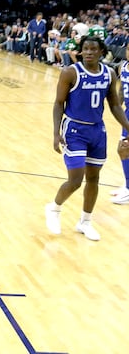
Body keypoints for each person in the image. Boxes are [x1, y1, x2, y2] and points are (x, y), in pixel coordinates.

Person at [45, 36, 129, 241]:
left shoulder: (109, 74)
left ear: (102, 51)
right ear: (81, 51)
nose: (89, 52)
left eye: (93, 49)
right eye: (85, 49)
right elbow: (58, 103)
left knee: (94, 179)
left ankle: (85, 221)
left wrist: (128, 127)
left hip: (97, 131)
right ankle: (54, 208)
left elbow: (115, 106)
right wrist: (56, 133)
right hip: (74, 129)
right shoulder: (70, 72)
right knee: (75, 180)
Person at [110, 59, 129, 204]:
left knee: (123, 149)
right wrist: (117, 106)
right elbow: (122, 89)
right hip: (127, 113)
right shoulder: (124, 66)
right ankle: (127, 186)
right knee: (124, 150)